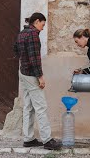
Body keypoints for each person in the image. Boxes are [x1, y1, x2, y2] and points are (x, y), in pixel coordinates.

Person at [13, 12, 61, 150]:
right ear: (37, 21)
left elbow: (15, 50)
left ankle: (28, 139)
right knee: (41, 107)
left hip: (22, 72)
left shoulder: (22, 32)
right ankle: (47, 140)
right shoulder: (33, 34)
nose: (43, 28)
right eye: (43, 24)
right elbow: (35, 58)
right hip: (31, 74)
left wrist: (24, 61)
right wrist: (40, 77)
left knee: (28, 106)